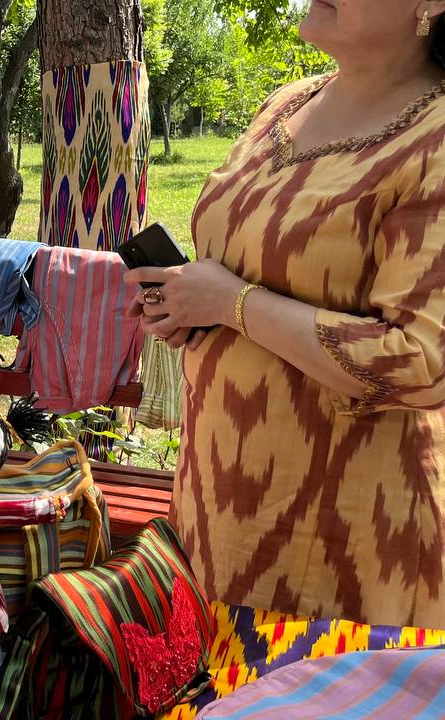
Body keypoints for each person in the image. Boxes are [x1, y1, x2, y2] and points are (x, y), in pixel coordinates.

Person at [125, 0, 445, 629]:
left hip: (349, 537)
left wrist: (232, 304)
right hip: (217, 499)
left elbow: (419, 363)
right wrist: (188, 303)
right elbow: (242, 268)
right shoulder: (287, 103)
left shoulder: (435, 140)